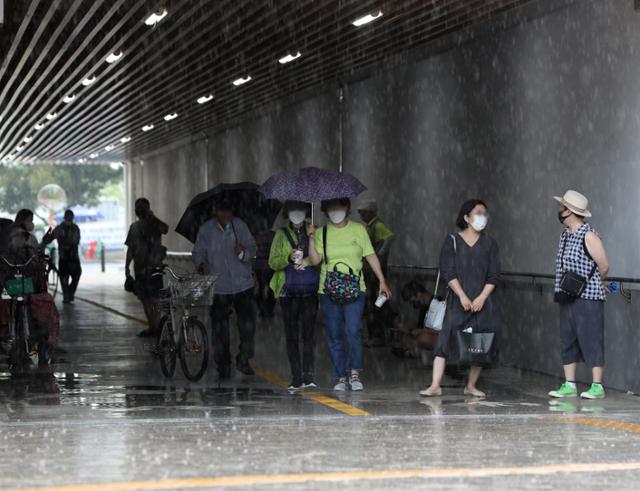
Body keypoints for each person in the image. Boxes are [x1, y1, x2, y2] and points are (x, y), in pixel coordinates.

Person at [301, 198, 392, 392]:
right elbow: (316, 260)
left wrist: (382, 280)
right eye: (331, 208)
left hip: (355, 288)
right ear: (326, 211)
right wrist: (310, 238)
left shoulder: (359, 230)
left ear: (347, 208)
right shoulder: (322, 232)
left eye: (339, 207)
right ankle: (340, 376)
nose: (336, 211)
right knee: (334, 334)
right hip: (328, 290)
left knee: (353, 331)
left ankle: (354, 374)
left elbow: (370, 255)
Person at [420, 199, 500, 398]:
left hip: (483, 303)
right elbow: (448, 271)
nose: (483, 217)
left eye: (485, 213)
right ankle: (435, 384)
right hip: (457, 301)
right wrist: (463, 296)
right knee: (444, 341)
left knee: (479, 344)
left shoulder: (490, 244)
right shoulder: (452, 241)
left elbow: (494, 275)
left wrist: (481, 297)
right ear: (466, 217)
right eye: (478, 213)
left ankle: (471, 385)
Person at [548, 190, 609, 400]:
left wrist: (595, 282)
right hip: (567, 295)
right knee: (568, 338)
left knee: (592, 338)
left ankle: (597, 385)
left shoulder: (589, 235)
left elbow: (603, 265)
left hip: (588, 297)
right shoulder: (565, 235)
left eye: (562, 208)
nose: (559, 211)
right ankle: (570, 384)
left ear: (570, 212)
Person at [193, 201, 258, 378]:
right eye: (222, 211)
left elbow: (253, 249)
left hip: (243, 285)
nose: (225, 215)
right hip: (219, 286)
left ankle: (244, 358)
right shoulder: (206, 230)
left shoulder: (240, 226)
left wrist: (243, 252)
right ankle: (223, 364)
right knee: (220, 328)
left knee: (248, 327)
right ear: (215, 211)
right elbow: (198, 252)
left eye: (228, 211)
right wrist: (201, 265)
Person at [268, 201, 319, 391]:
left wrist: (312, 241)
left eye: (300, 210)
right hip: (288, 291)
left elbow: (320, 258)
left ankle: (309, 375)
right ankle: (296, 376)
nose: (296, 214)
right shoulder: (281, 235)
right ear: (287, 213)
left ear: (306, 211)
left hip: (309, 291)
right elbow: (272, 262)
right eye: (292, 210)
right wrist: (288, 258)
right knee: (291, 336)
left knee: (308, 335)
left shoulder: (313, 231)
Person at [125, 198, 169, 338]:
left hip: (154, 269)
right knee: (145, 299)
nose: (140, 211)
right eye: (138, 208)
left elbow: (166, 229)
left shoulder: (155, 225)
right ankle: (153, 327)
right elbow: (130, 249)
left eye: (142, 208)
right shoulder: (134, 227)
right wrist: (126, 267)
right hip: (140, 270)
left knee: (154, 299)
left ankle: (156, 328)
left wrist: (152, 218)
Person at [52, 210, 82, 304]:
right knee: (65, 278)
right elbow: (76, 241)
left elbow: (76, 241)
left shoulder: (74, 228)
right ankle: (67, 295)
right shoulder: (61, 228)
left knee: (72, 276)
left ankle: (68, 294)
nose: (69, 218)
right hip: (67, 257)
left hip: (70, 257)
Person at [253, 226, 276, 318]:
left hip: (259, 266)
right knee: (271, 289)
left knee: (261, 288)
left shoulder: (256, 237)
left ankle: (263, 309)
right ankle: (268, 310)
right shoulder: (274, 236)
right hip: (270, 266)